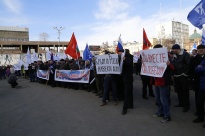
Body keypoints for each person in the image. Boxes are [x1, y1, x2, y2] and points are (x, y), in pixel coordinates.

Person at [152, 44, 174, 123]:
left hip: (164, 82)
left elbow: (173, 68)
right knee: (158, 99)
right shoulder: (154, 58)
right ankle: (160, 112)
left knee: (164, 99)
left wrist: (169, 64)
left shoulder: (167, 57)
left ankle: (167, 116)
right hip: (157, 81)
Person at [172, 44, 190, 112]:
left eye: (175, 49)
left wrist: (185, 74)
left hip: (183, 75)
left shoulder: (185, 54)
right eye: (173, 49)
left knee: (185, 91)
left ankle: (186, 105)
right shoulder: (174, 56)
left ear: (178, 49)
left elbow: (189, 64)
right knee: (179, 90)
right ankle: (181, 103)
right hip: (176, 75)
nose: (173, 51)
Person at [190, 44, 205, 116]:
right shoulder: (193, 59)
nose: (201, 50)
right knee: (198, 100)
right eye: (199, 49)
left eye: (202, 48)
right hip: (197, 81)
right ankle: (199, 113)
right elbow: (192, 69)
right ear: (197, 50)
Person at [121, 49, 134, 115]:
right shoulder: (130, 57)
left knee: (126, 93)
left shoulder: (127, 58)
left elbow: (128, 64)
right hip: (128, 78)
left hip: (127, 78)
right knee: (129, 92)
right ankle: (130, 105)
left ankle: (124, 108)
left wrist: (124, 60)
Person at [194, 59, 205, 128]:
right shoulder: (204, 61)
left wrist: (202, 69)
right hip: (202, 86)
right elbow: (197, 69)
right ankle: (200, 117)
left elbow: (200, 69)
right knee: (199, 102)